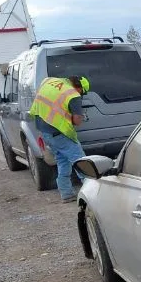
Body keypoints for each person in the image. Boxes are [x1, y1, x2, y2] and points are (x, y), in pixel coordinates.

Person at [28, 75, 90, 203]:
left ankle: (66, 194)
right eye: (83, 92)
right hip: (60, 133)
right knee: (81, 162)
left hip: (46, 133)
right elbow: (77, 120)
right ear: (79, 87)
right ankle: (93, 193)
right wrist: (81, 117)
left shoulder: (50, 81)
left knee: (63, 162)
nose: (82, 95)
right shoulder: (73, 95)